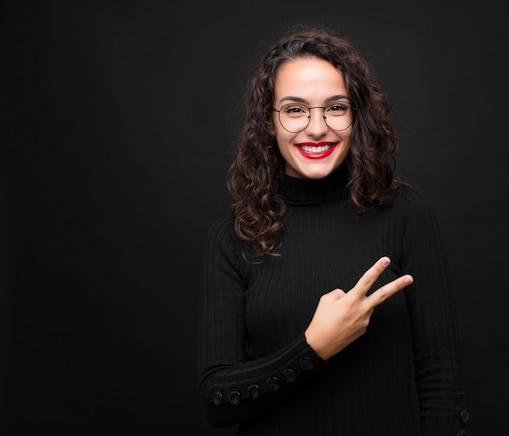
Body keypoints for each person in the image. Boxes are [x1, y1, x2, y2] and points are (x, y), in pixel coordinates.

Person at [198, 24, 469, 435]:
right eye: (294, 109)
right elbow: (217, 400)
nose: (317, 127)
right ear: (268, 123)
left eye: (336, 107)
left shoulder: (405, 215)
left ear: (356, 116)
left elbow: (441, 380)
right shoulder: (234, 236)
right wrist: (313, 348)